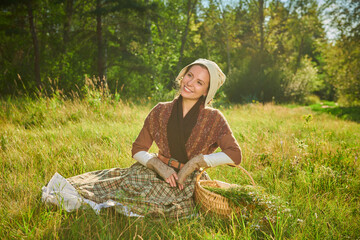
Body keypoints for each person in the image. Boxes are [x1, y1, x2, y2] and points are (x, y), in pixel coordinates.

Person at [42, 59, 242, 218]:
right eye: (189, 75)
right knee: (116, 187)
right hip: (155, 171)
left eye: (199, 82)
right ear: (183, 76)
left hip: (185, 181)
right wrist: (157, 165)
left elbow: (235, 155)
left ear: (207, 91)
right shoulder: (161, 110)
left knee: (158, 204)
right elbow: (137, 149)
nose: (190, 83)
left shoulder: (214, 118)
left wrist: (196, 162)